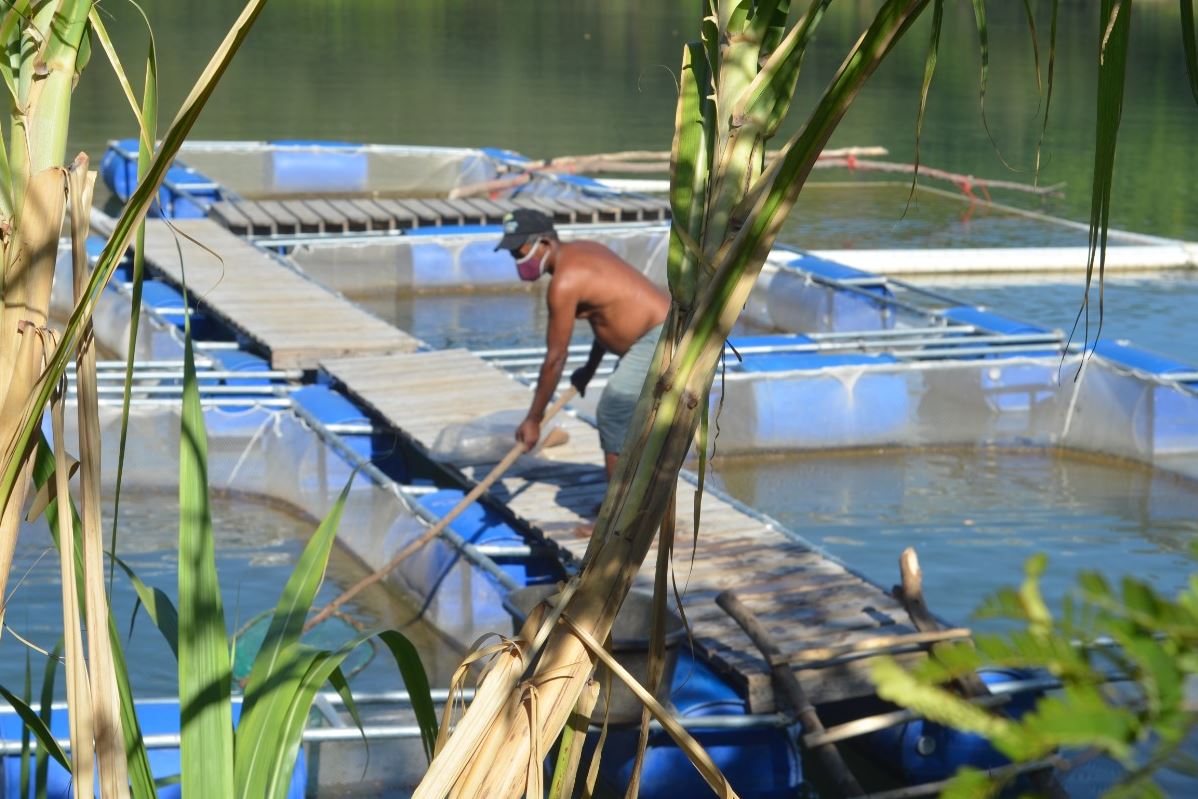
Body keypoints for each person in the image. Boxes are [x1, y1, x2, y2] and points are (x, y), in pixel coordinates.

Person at [496, 209, 669, 479]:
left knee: (613, 411)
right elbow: (605, 316)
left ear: (543, 243)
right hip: (655, 334)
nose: (516, 259)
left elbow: (555, 358)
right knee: (629, 419)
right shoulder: (584, 252)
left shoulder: (564, 283)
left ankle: (613, 519)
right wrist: (589, 369)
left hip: (659, 336)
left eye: (519, 251)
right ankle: (628, 503)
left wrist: (533, 419)